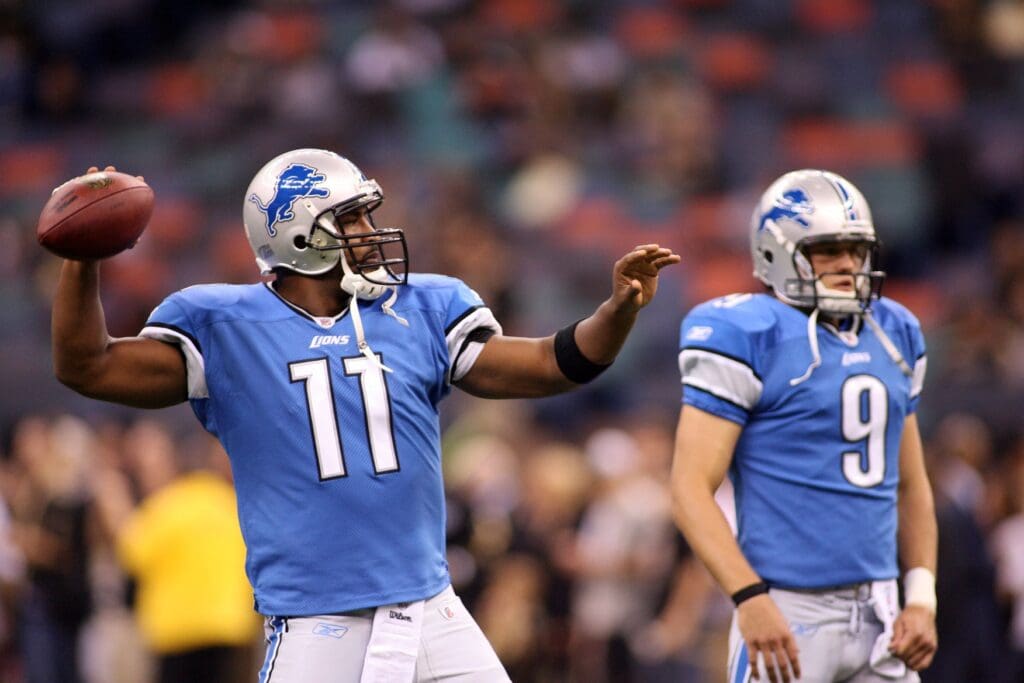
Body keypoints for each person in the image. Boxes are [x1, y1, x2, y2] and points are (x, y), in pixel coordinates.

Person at [48, 148, 679, 682]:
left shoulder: (421, 308)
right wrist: (84, 258)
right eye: (352, 217)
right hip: (318, 625)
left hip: (433, 611)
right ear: (301, 233)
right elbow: (89, 367)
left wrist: (617, 309)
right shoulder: (224, 324)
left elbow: (551, 363)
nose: (371, 228)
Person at [670, 169, 938, 683]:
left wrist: (922, 595)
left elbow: (911, 484)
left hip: (883, 611)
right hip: (788, 609)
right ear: (777, 252)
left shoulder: (894, 331)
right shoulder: (747, 333)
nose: (846, 264)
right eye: (827, 250)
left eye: (855, 250)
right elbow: (689, 489)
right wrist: (749, 597)